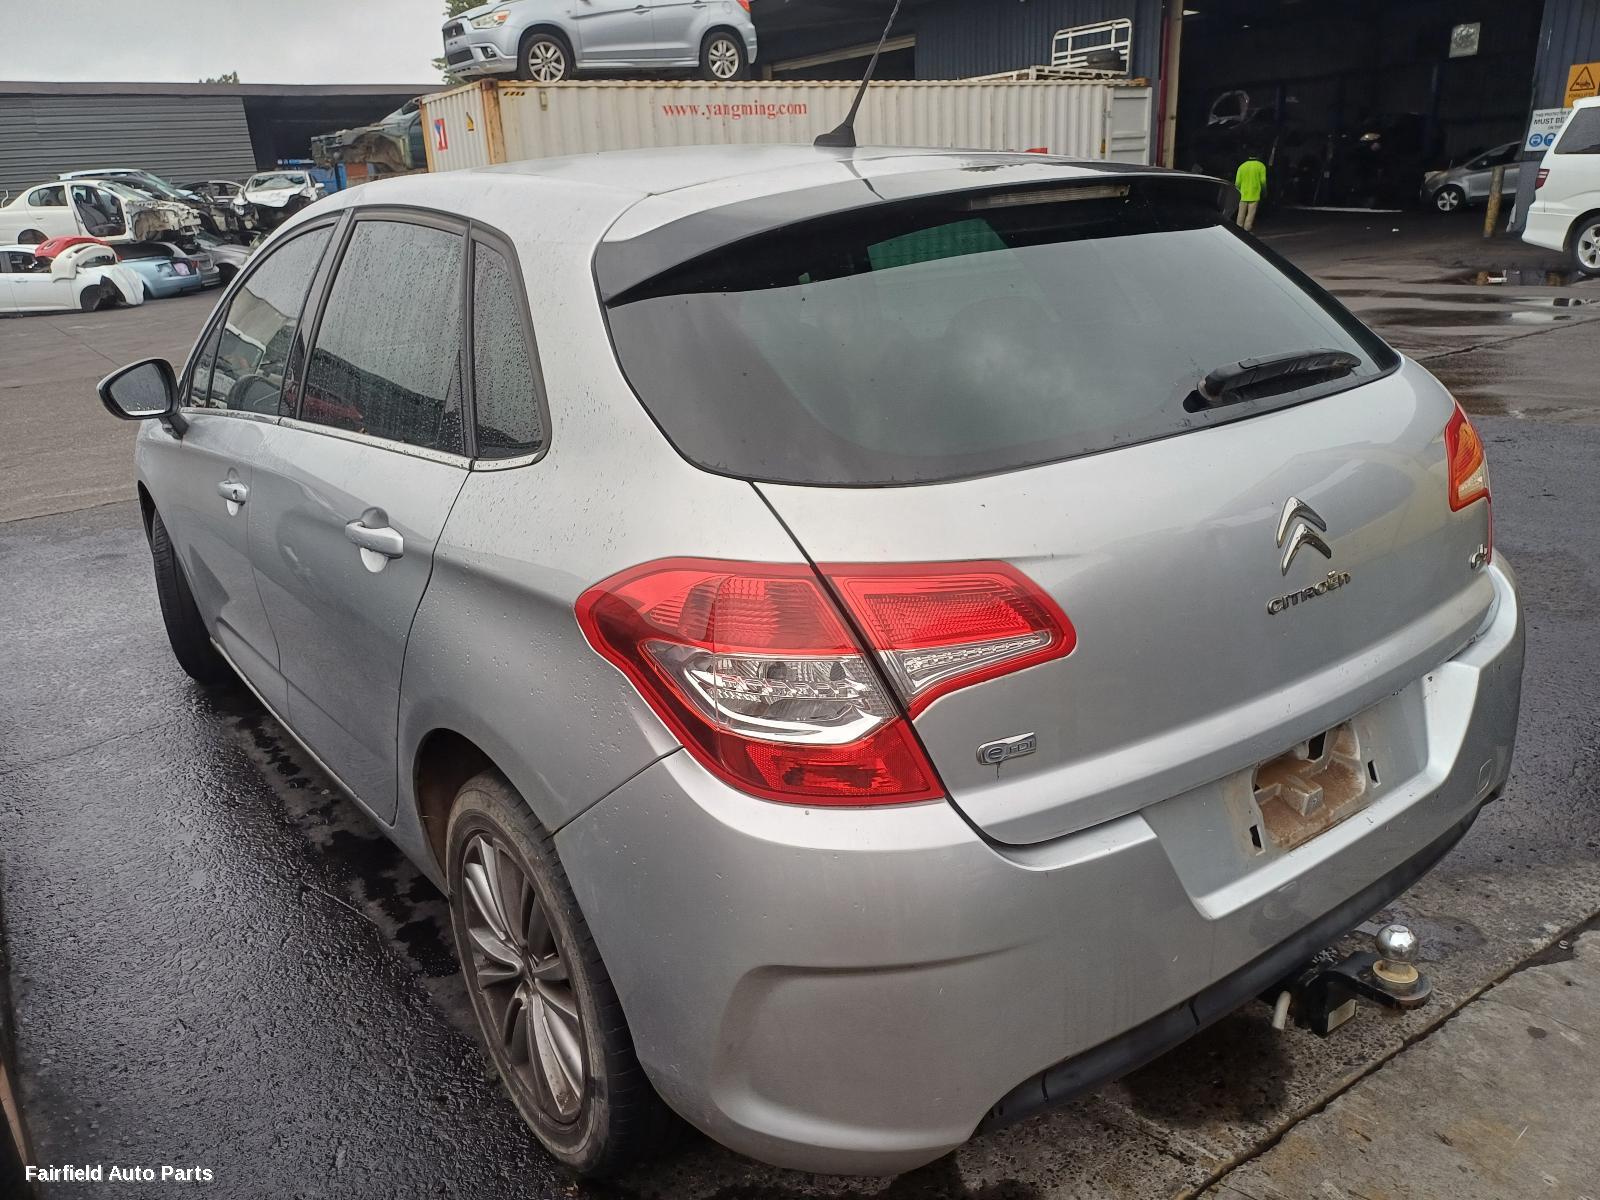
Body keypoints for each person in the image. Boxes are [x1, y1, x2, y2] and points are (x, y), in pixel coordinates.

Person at [1235, 151, 1268, 232]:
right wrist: (1264, 192)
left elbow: (1237, 182)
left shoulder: (1242, 166)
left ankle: (1238, 231)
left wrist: (1236, 192)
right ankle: (1246, 231)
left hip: (1242, 194)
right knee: (1250, 215)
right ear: (1258, 155)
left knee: (1240, 214)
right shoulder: (1261, 166)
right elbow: (1263, 181)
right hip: (1255, 194)